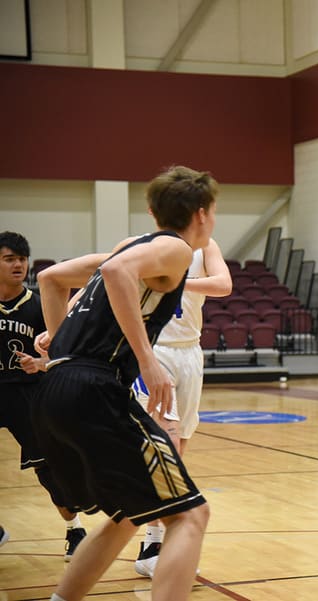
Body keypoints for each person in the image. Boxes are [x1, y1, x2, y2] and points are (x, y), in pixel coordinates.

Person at [32, 165, 215, 601]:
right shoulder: (175, 248)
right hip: (95, 388)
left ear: (153, 211)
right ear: (202, 214)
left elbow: (50, 278)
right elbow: (116, 273)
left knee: (128, 514)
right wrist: (148, 360)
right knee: (191, 515)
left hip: (56, 388)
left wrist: (59, 349)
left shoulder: (132, 245)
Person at [132, 238, 232, 578]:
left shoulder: (206, 247)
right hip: (155, 351)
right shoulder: (151, 245)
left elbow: (224, 284)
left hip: (190, 352)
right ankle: (154, 545)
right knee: (168, 446)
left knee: (180, 447)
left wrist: (179, 282)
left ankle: (155, 541)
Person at [0, 231, 88, 561]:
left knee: (49, 468)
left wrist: (41, 362)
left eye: (22, 259)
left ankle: (75, 529)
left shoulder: (39, 304)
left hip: (29, 393)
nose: (18, 265)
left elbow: (64, 352)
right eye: (9, 259)